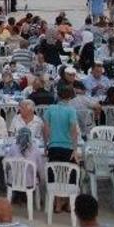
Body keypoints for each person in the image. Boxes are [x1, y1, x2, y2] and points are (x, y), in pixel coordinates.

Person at [43, 85, 80, 213]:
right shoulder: (71, 110)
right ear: (70, 97)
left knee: (54, 174)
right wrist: (75, 149)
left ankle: (57, 203)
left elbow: (46, 129)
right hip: (68, 147)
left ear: (58, 95)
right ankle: (70, 203)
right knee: (71, 174)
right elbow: (73, 130)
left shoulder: (50, 109)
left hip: (53, 146)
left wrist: (45, 145)